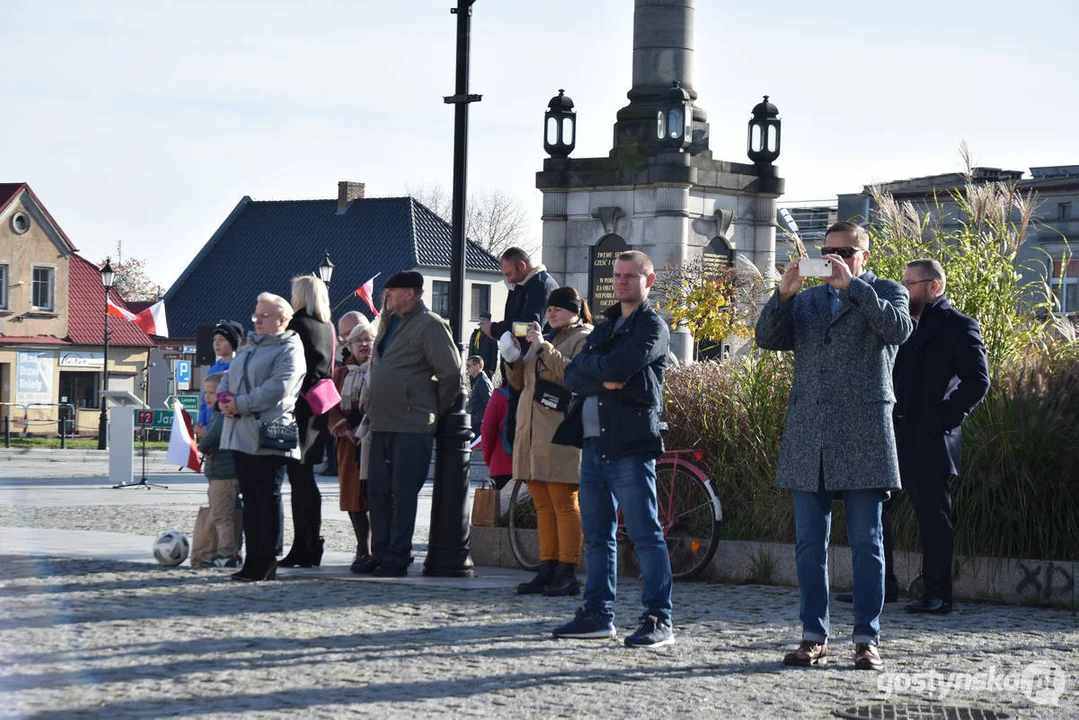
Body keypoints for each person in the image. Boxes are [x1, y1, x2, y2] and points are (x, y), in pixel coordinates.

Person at [755, 221, 912, 671]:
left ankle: (867, 638)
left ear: (865, 254)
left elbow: (899, 330)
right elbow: (766, 339)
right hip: (811, 431)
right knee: (808, 542)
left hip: (864, 431)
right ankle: (813, 636)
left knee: (867, 541)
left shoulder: (886, 290)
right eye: (827, 251)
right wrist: (783, 295)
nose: (834, 258)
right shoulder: (806, 301)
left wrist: (855, 289)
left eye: (845, 250)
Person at [550, 251, 674, 648]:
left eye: (630, 276)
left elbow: (622, 367)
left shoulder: (652, 326)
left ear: (648, 281)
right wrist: (601, 379)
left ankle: (659, 618)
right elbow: (571, 375)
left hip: (630, 446)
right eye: (617, 275)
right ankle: (598, 615)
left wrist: (598, 371)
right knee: (597, 536)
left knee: (645, 535)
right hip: (592, 444)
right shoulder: (604, 327)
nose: (621, 282)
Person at [894, 258, 989, 614]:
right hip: (894, 432)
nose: (904, 290)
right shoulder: (901, 325)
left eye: (910, 283)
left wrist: (943, 419)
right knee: (875, 508)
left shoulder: (959, 326)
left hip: (931, 438)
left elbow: (978, 381)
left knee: (933, 518)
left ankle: (938, 594)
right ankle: (883, 586)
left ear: (933, 286)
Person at [358, 270, 461, 577]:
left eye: (392, 291)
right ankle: (381, 551)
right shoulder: (388, 322)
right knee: (377, 491)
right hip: (382, 422)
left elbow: (451, 374)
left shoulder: (430, 325)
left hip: (412, 424)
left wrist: (433, 408)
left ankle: (398, 555)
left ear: (412, 294)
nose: (386, 297)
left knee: (403, 493)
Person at [503, 286, 593, 597]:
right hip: (532, 432)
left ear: (575, 312)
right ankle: (548, 567)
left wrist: (542, 348)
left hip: (560, 431)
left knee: (564, 503)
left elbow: (574, 376)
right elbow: (519, 382)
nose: (551, 312)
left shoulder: (583, 337)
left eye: (559, 309)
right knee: (543, 505)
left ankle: (567, 571)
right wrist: (512, 358)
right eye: (550, 308)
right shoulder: (546, 339)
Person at [217, 292, 306, 582]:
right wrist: (223, 399)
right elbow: (229, 377)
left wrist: (239, 404)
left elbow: (278, 389)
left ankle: (266, 560)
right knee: (250, 499)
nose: (258, 320)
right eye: (256, 315)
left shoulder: (289, 348)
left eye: (265, 316)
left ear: (283, 320)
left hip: (269, 434)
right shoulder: (249, 346)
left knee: (267, 498)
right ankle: (252, 560)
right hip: (240, 433)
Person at [279, 275, 336, 568]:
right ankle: (311, 544)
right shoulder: (327, 327)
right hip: (319, 408)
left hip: (299, 408)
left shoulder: (297, 325)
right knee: (306, 479)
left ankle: (304, 545)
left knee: (298, 480)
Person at [329, 319, 377, 572]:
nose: (364, 344)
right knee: (352, 496)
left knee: (375, 494)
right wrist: (344, 428)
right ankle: (362, 548)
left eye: (368, 339)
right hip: (348, 443)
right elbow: (332, 407)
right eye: (358, 340)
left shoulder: (379, 369)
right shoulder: (342, 373)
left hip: (374, 439)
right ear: (349, 344)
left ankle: (380, 548)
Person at [196, 372, 241, 568]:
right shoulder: (216, 414)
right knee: (225, 514)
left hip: (224, 473)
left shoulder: (222, 416)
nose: (208, 397)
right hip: (220, 471)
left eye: (212, 393)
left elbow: (215, 436)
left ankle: (226, 554)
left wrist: (203, 446)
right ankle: (231, 552)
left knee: (222, 515)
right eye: (206, 392)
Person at [483, 247, 559, 348]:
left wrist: (496, 329)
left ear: (522, 265)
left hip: (536, 355)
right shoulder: (530, 285)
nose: (508, 280)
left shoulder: (540, 286)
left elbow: (530, 328)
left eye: (509, 274)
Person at [194, 320, 242, 438]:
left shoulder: (240, 368)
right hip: (210, 429)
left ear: (233, 342)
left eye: (222, 339)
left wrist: (210, 429)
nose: (217, 343)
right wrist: (201, 424)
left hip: (229, 430)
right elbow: (205, 401)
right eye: (215, 339)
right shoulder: (213, 369)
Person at [479, 378, 514, 516]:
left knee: (499, 514)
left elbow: (487, 430)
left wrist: (489, 459)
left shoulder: (499, 395)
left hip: (501, 464)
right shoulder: (532, 393)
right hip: (528, 465)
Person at [466, 356, 493, 440]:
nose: (467, 369)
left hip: (480, 423)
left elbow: (489, 404)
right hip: (476, 421)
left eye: (469, 366)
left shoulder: (482, 382)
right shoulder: (478, 380)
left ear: (477, 366)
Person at [468, 311, 498, 378]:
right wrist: (469, 366)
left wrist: (492, 369)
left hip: (486, 368)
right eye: (480, 319)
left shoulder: (491, 334)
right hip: (474, 367)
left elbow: (494, 352)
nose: (482, 321)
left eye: (484, 320)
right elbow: (471, 350)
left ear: (489, 321)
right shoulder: (475, 333)